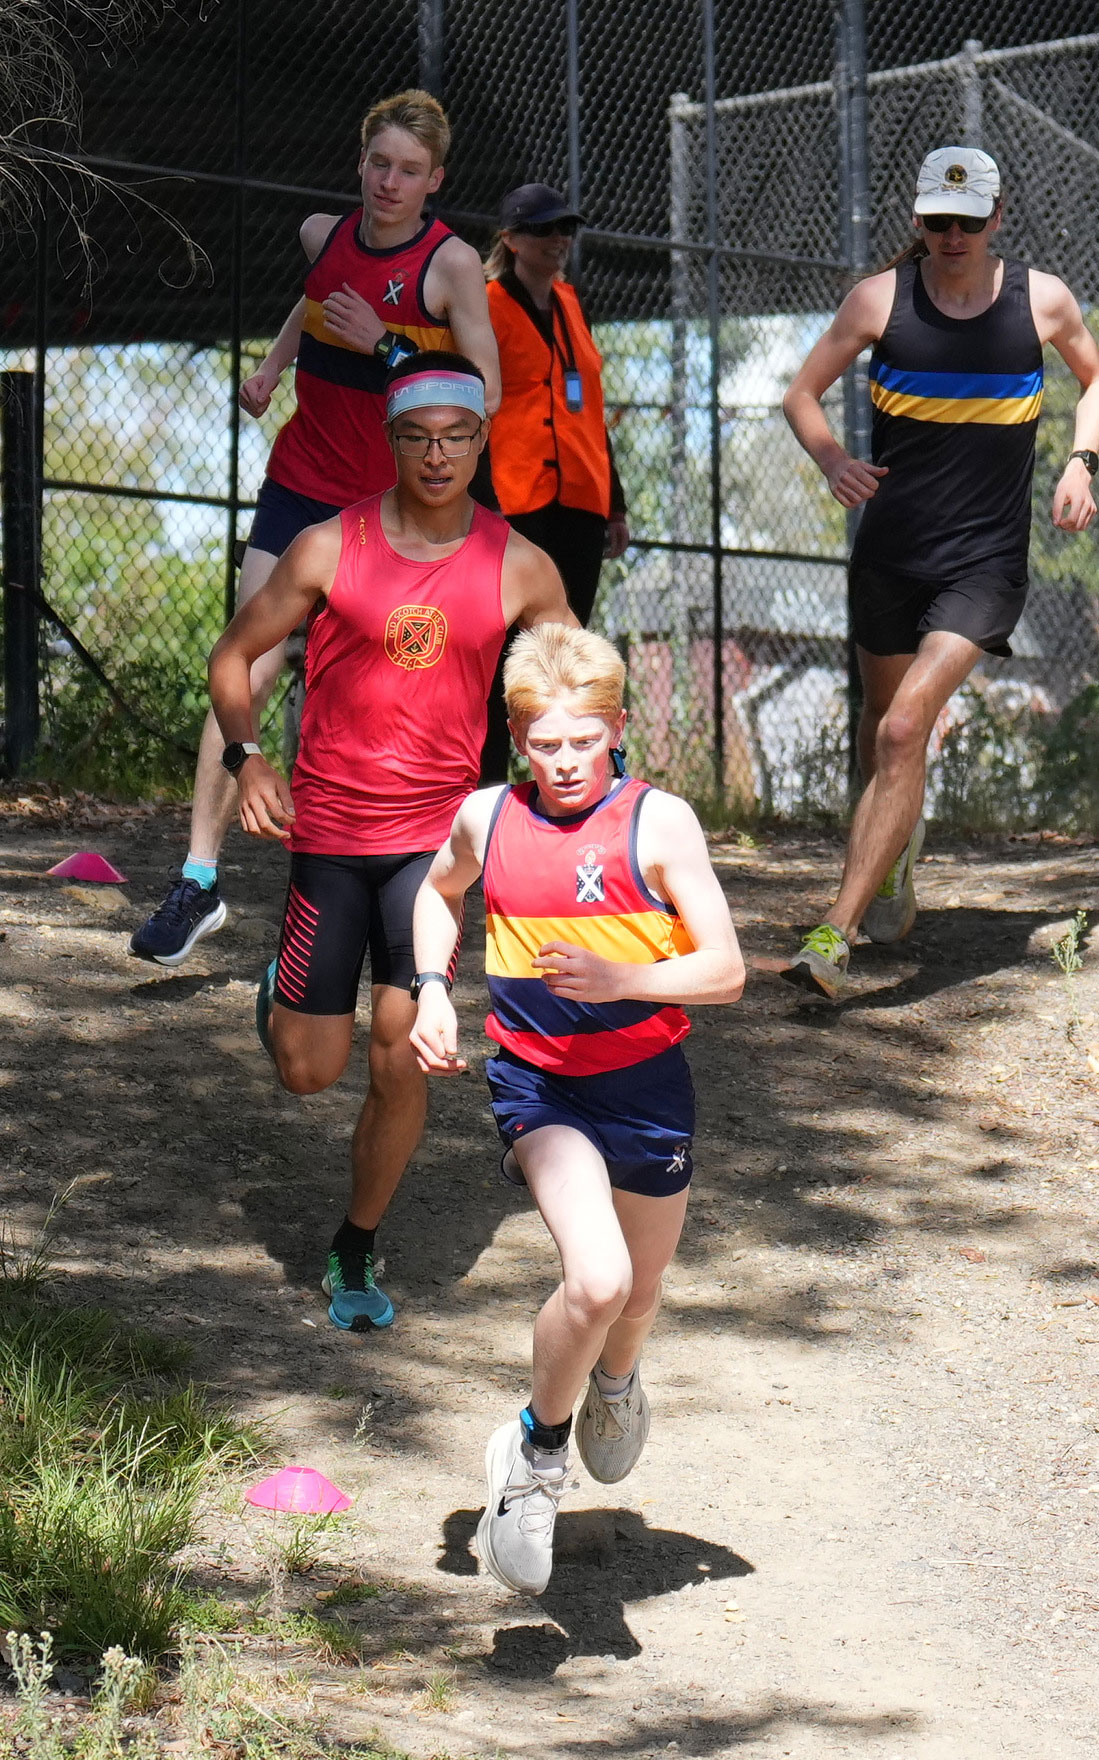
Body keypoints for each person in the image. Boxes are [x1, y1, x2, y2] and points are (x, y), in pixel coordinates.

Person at [208, 353, 574, 1331]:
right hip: (329, 837)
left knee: (401, 1052)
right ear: (392, 441)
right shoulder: (329, 546)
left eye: (456, 436)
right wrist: (248, 758)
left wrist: (575, 802)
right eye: (417, 436)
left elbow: (572, 684)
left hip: (435, 852)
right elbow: (233, 655)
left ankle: (357, 1241)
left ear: (480, 440)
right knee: (307, 1069)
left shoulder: (520, 564)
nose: (437, 454)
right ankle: (284, 996)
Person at [130, 89, 501, 967]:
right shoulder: (320, 235)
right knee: (246, 666)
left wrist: (388, 346)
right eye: (379, 164)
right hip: (298, 486)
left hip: (383, 513)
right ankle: (198, 879)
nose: (389, 182)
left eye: (409, 171)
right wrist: (270, 369)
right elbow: (316, 299)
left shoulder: (449, 266)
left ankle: (373, 890)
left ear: (435, 181)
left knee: (369, 693)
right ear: (360, 162)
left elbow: (485, 390)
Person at [410, 623, 744, 1594]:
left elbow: (724, 970)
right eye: (545, 743)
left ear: (618, 729)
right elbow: (436, 891)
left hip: (645, 1084)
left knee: (636, 1296)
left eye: (584, 742)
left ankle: (615, 1378)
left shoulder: (660, 823)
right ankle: (533, 1456)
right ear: (517, 738)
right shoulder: (487, 816)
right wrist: (430, 988)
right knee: (596, 1281)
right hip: (538, 1084)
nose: (563, 762)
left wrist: (621, 975)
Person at [781, 145, 1099, 1000]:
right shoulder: (878, 300)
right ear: (917, 220)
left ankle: (832, 935)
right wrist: (831, 459)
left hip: (982, 564)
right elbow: (800, 394)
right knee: (880, 722)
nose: (951, 235)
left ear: (997, 217)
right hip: (890, 554)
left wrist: (1081, 461)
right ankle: (891, 857)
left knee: (901, 729)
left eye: (966, 221)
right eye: (935, 221)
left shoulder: (1042, 300)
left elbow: (1094, 377)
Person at [478, 183, 629, 781]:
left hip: (581, 501)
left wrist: (615, 504)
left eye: (565, 228)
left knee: (567, 651)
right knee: (502, 653)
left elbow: (590, 407)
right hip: (513, 501)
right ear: (511, 240)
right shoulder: (487, 303)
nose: (558, 239)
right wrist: (479, 500)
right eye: (543, 229)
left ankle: (563, 782)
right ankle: (488, 785)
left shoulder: (571, 302)